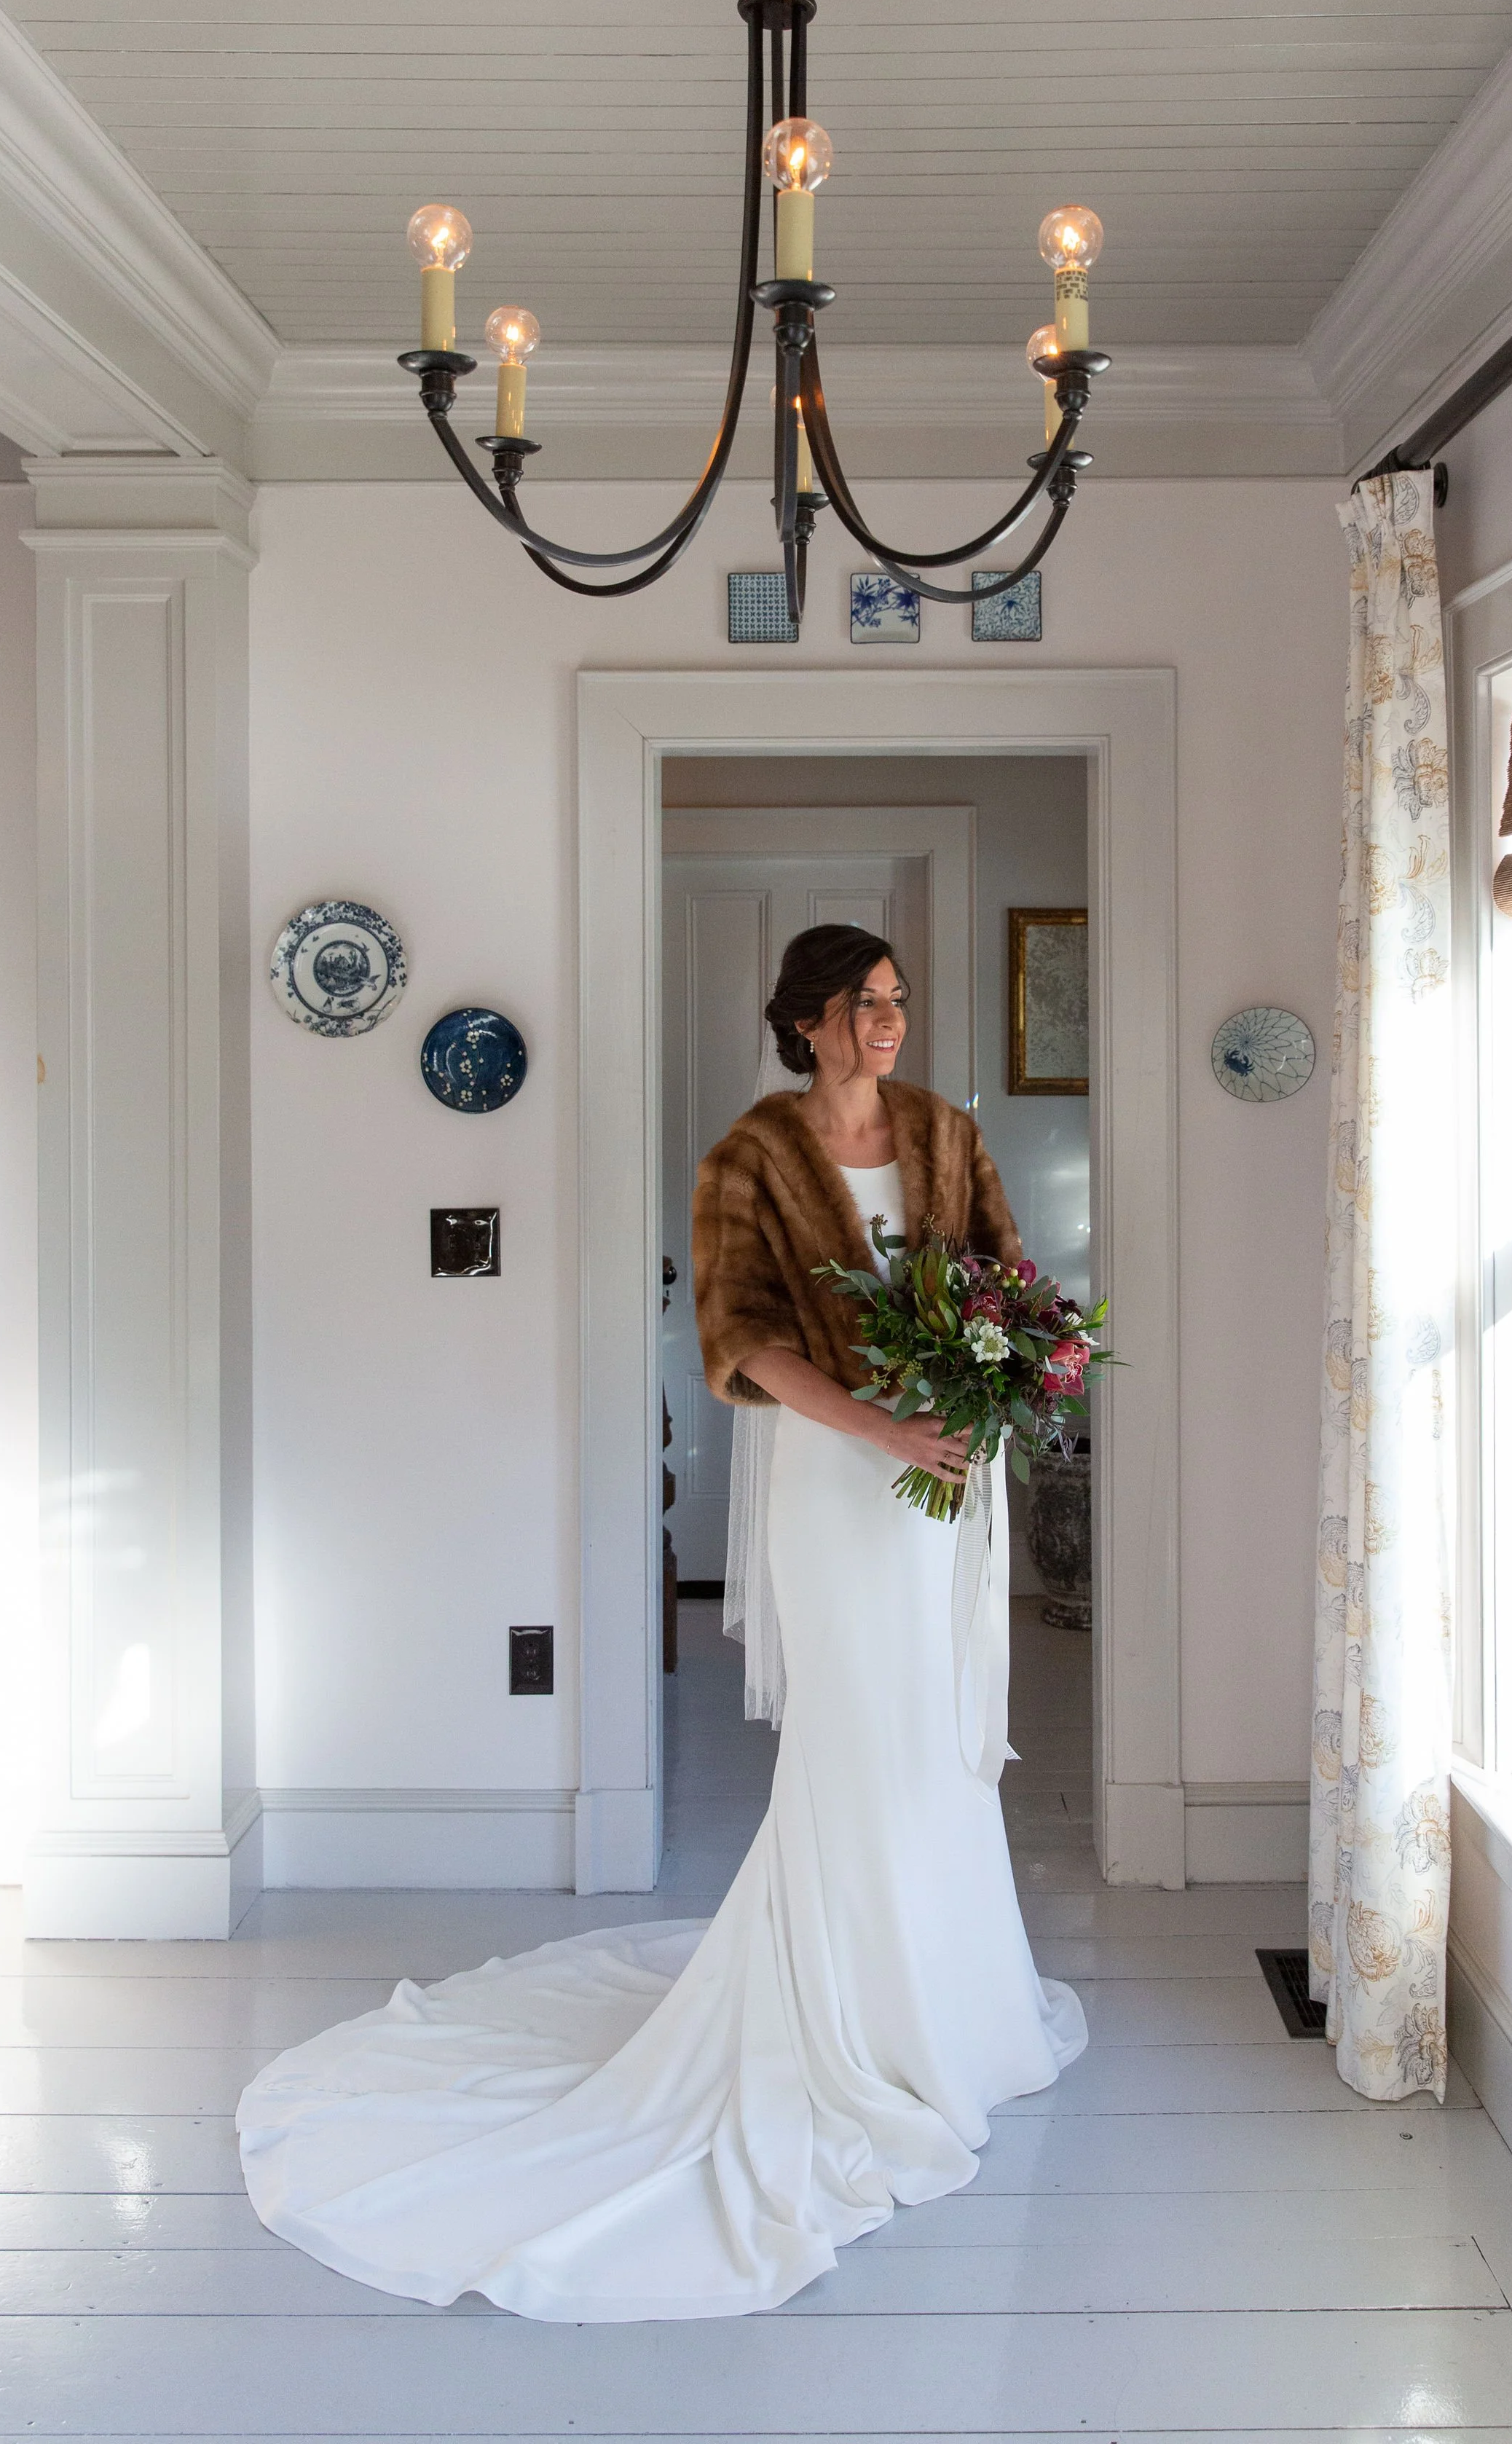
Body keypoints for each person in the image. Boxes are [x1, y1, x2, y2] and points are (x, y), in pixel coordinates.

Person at [235, 924, 1084, 2322]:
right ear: (806, 1019)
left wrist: (985, 1395)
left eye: (898, 1000)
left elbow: (1004, 1279)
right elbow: (743, 1344)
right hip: (838, 1469)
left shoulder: (943, 1133)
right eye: (863, 1003)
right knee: (858, 1731)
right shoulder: (748, 1158)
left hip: (951, 1467)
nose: (888, 1022)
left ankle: (957, 2006)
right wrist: (883, 1426)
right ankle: (844, 2022)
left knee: (935, 1729)